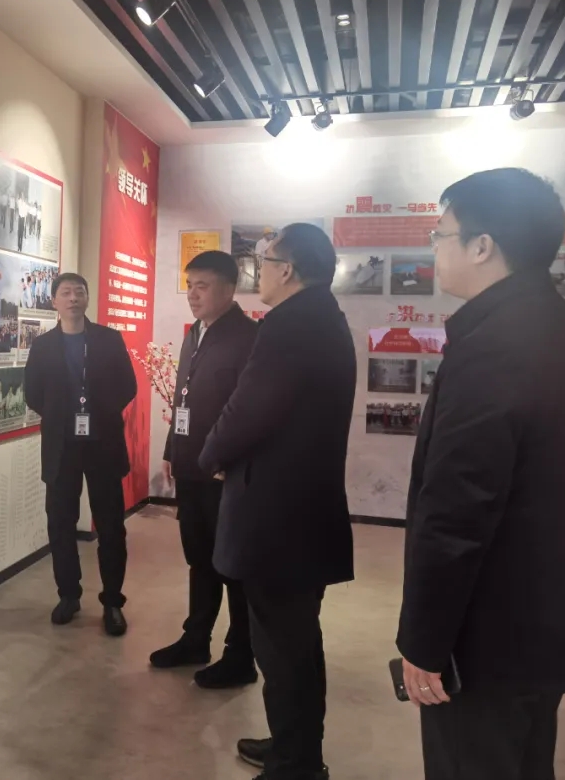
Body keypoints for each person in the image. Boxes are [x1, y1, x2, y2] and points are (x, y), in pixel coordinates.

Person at [396, 169, 565, 780]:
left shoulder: (493, 345)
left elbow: (456, 511)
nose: (434, 248)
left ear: (482, 246)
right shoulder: (563, 330)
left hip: (488, 636)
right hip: (540, 624)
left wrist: (424, 640)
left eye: (441, 234)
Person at [200, 223, 356, 780]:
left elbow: (248, 409)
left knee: (285, 649)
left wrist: (210, 454)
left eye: (263, 263)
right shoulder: (324, 317)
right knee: (296, 643)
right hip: (302, 514)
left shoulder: (290, 325)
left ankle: (296, 764)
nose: (257, 272)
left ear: (286, 270)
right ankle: (295, 746)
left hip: (278, 520)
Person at [152, 251, 259, 689]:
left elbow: (249, 411)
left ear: (229, 289)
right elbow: (183, 396)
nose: (193, 295)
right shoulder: (195, 333)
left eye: (203, 286)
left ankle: (241, 655)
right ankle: (196, 639)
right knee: (199, 559)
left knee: (232, 564)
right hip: (192, 467)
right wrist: (171, 448)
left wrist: (228, 459)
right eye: (190, 285)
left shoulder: (250, 337)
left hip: (223, 472)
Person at [24, 273, 137, 636]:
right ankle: (68, 595)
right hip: (62, 447)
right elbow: (32, 393)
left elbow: (128, 386)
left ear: (87, 298)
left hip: (103, 444)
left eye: (79, 292)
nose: (73, 298)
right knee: (60, 524)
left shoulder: (108, 339)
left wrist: (99, 412)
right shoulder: (42, 346)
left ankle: (113, 601)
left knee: (111, 526)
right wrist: (60, 416)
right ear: (54, 301)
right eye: (65, 292)